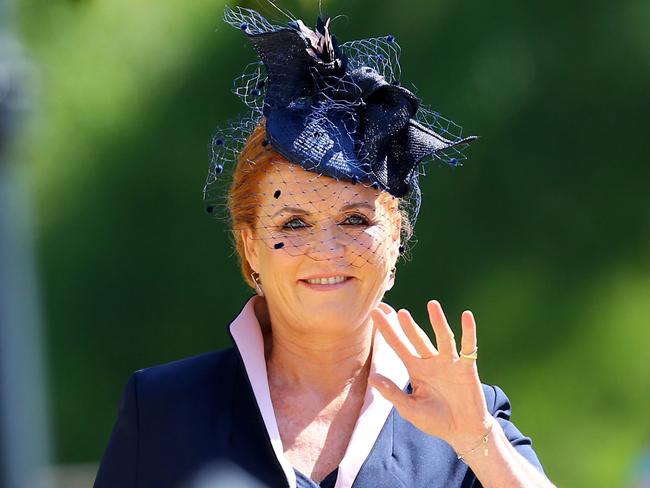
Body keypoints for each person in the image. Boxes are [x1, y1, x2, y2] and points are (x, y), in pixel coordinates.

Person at [94, 6, 555, 488]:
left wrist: (477, 440)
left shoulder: (468, 416)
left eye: (355, 219)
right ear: (250, 248)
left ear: (396, 241)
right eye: (294, 223)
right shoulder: (165, 409)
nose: (327, 249)